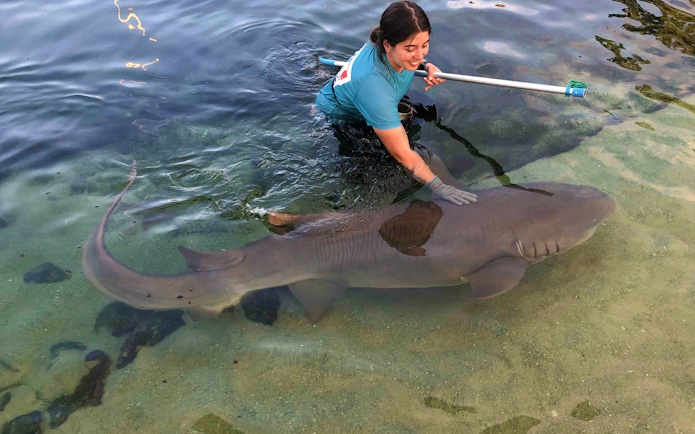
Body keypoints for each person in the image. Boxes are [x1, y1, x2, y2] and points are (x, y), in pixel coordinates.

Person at [315, 1, 477, 206]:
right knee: (416, 157)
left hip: (371, 98)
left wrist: (427, 65)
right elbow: (402, 155)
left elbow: (417, 56)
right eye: (411, 48)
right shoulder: (375, 90)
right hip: (339, 118)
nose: (419, 55)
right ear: (387, 45)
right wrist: (440, 188)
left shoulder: (390, 45)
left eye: (424, 45)